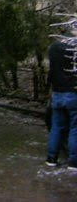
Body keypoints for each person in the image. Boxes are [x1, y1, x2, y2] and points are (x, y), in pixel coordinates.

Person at [46, 38, 77, 168]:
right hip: (73, 95)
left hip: (57, 94)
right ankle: (73, 162)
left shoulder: (54, 48)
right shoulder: (73, 50)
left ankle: (51, 159)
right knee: (75, 129)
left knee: (56, 127)